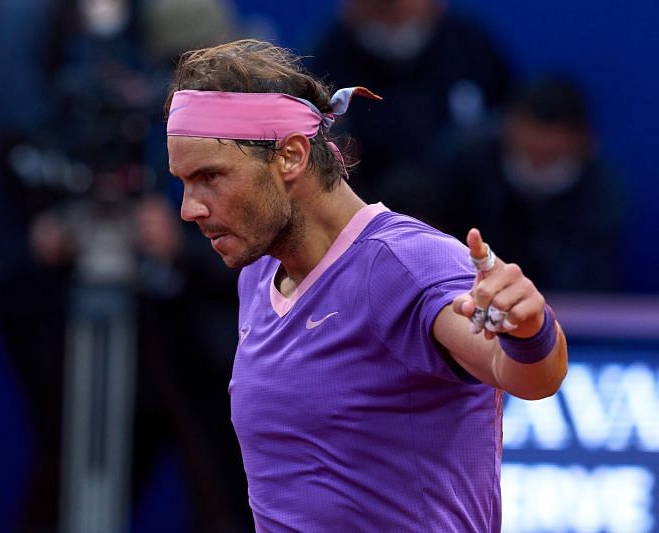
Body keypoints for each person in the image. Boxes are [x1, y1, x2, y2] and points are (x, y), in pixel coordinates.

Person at [163, 39, 567, 531]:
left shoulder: (407, 263)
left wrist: (528, 329)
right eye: (184, 182)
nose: (190, 209)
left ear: (290, 156)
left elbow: (529, 375)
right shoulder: (257, 273)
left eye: (210, 176)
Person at [306, 0, 513, 224]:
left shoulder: (470, 44)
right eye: (383, 7)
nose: (393, 13)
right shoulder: (327, 53)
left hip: (463, 212)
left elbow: (507, 120)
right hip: (360, 211)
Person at [437, 76, 627, 291]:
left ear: (581, 140)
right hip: (464, 297)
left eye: (551, 149)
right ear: (509, 125)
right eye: (531, 133)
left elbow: (585, 278)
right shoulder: (466, 163)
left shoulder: (602, 193)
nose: (540, 145)